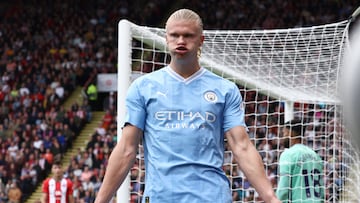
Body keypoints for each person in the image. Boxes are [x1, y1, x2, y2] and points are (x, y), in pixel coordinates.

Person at [95, 8, 280, 203]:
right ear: (166, 38)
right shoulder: (143, 87)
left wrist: (270, 198)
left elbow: (241, 146)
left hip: (212, 197)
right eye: (175, 35)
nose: (181, 41)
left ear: (201, 40)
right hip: (160, 198)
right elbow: (126, 149)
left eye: (188, 35)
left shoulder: (225, 89)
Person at [276, 119, 324, 202]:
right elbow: (321, 189)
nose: (282, 137)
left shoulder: (288, 154)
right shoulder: (316, 156)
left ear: (290, 133)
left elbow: (283, 189)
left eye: (284, 133)